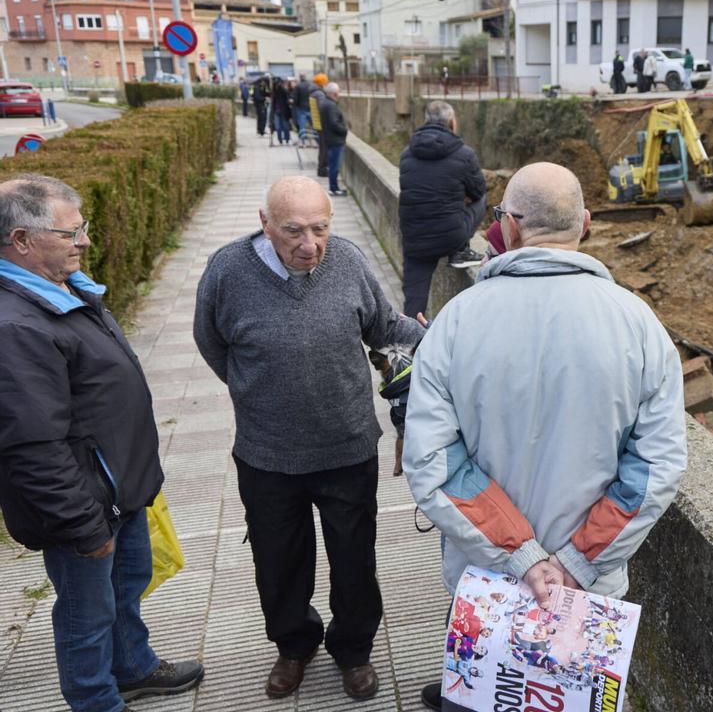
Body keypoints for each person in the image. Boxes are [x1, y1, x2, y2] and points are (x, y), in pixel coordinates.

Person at [403, 161, 687, 712]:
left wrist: (522, 556)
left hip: (486, 580)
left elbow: (434, 462)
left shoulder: (456, 322)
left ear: (508, 226)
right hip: (587, 593)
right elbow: (655, 469)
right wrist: (576, 562)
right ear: (584, 223)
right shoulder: (639, 325)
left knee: (477, 699)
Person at [193, 176, 425, 703]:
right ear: (265, 223)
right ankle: (294, 646)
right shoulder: (228, 270)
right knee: (278, 561)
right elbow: (210, 342)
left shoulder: (347, 260)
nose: (309, 244)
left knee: (354, 558)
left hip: (346, 445)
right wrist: (256, 389)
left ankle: (354, 650)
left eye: (320, 228)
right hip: (266, 452)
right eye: (293, 231)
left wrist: (448, 335)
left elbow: (385, 326)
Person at [0, 174, 205, 712]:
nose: (85, 240)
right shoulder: (16, 325)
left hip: (117, 490)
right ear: (21, 241)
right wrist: (82, 524)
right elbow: (32, 446)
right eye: (71, 232)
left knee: (125, 590)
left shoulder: (58, 288)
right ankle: (96, 700)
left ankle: (132, 667)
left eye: (82, 227)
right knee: (86, 615)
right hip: (83, 506)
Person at [397, 100, 487, 318]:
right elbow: (477, 191)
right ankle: (461, 251)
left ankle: (408, 344)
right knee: (481, 199)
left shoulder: (407, 154)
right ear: (452, 122)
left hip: (414, 238)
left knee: (414, 301)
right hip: (451, 237)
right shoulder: (465, 154)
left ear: (425, 121)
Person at [318, 82, 349, 197]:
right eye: (338, 92)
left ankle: (334, 187)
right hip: (335, 140)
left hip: (329, 139)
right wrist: (344, 130)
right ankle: (334, 188)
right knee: (334, 166)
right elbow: (334, 123)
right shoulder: (331, 106)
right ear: (335, 94)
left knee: (332, 165)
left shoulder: (325, 103)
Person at [309, 74, 329, 177]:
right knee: (324, 148)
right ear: (322, 83)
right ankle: (322, 169)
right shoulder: (320, 94)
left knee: (322, 148)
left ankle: (322, 168)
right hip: (322, 124)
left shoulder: (313, 92)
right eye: (326, 82)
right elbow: (323, 108)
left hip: (317, 124)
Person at [292, 74, 314, 145]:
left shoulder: (298, 86)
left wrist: (294, 105)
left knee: (302, 125)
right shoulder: (310, 85)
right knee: (313, 125)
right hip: (310, 108)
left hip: (301, 108)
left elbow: (295, 99)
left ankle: (302, 141)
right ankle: (314, 141)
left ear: (300, 78)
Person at [271, 76, 292, 146]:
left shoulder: (282, 90)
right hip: (277, 111)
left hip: (283, 111)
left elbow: (287, 95)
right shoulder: (274, 91)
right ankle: (281, 140)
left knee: (284, 126)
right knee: (279, 127)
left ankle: (286, 139)